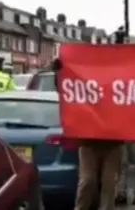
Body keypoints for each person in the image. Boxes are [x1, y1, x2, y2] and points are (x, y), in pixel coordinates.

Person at [52, 59, 122, 210]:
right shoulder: (85, 87)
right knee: (88, 180)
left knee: (108, 184)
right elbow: (66, 89)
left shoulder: (117, 88)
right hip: (88, 141)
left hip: (112, 142)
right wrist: (58, 73)